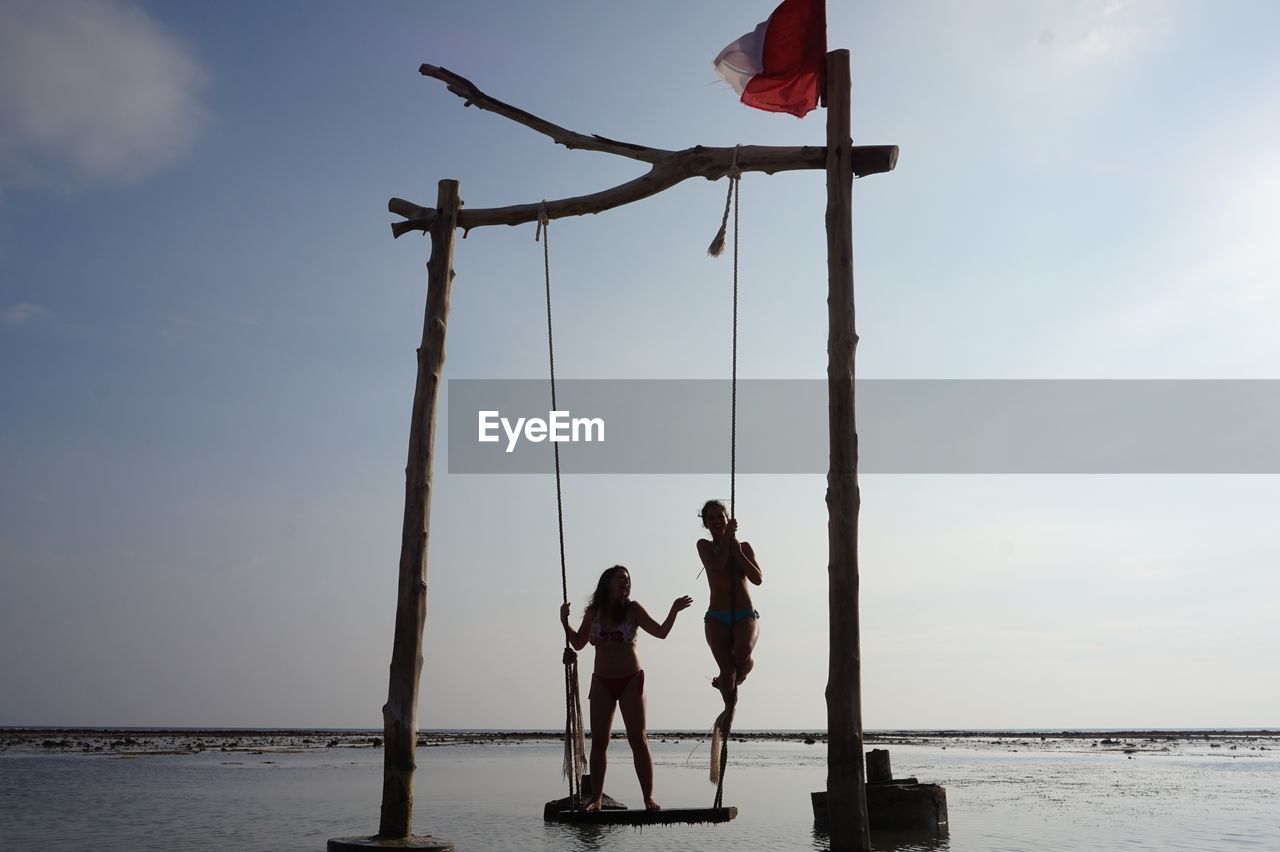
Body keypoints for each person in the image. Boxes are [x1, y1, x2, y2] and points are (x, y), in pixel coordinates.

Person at [560, 565, 693, 812]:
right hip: (602, 680)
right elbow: (578, 643)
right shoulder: (594, 613)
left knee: (638, 739)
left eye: (628, 579)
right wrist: (564, 622)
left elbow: (661, 632)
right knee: (599, 742)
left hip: (631, 679)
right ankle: (596, 799)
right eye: (621, 578)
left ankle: (648, 797)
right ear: (607, 582)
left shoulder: (633, 610)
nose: (626, 582)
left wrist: (673, 610)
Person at [696, 499, 763, 717]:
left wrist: (740, 554)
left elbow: (757, 579)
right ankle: (728, 709)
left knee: (742, 654)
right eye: (711, 518)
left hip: (745, 614)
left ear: (728, 519)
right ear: (706, 524)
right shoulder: (704, 546)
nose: (716, 521)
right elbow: (717, 565)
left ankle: (739, 676)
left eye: (720, 516)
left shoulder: (743, 547)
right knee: (727, 669)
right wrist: (726, 540)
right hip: (717, 616)